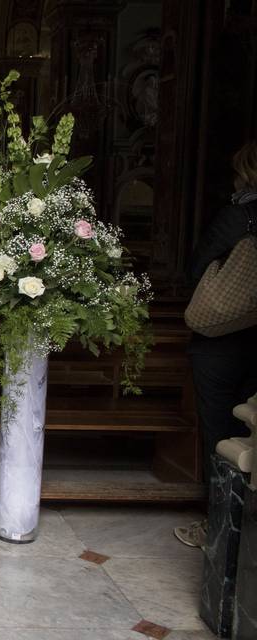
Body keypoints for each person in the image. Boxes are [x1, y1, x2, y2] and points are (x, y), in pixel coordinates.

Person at [175, 141, 257, 548]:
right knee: (250, 433)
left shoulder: (237, 216)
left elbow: (195, 268)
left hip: (221, 343)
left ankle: (219, 530)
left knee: (221, 437)